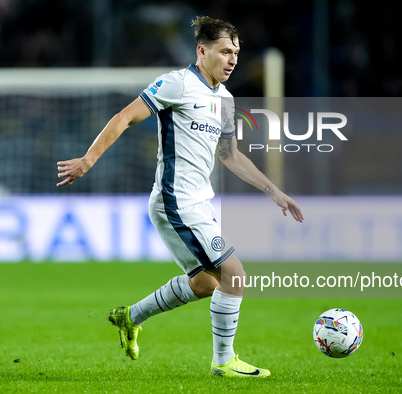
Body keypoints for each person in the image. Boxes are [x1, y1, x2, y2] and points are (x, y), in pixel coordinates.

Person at [56, 16, 303, 378]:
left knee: (206, 283)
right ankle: (224, 362)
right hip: (176, 201)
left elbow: (230, 155)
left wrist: (274, 191)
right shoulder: (177, 84)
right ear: (202, 51)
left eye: (235, 52)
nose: (232, 59)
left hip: (200, 203)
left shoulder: (227, 100)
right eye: (224, 51)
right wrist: (88, 159)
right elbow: (125, 117)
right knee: (235, 274)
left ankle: (130, 317)